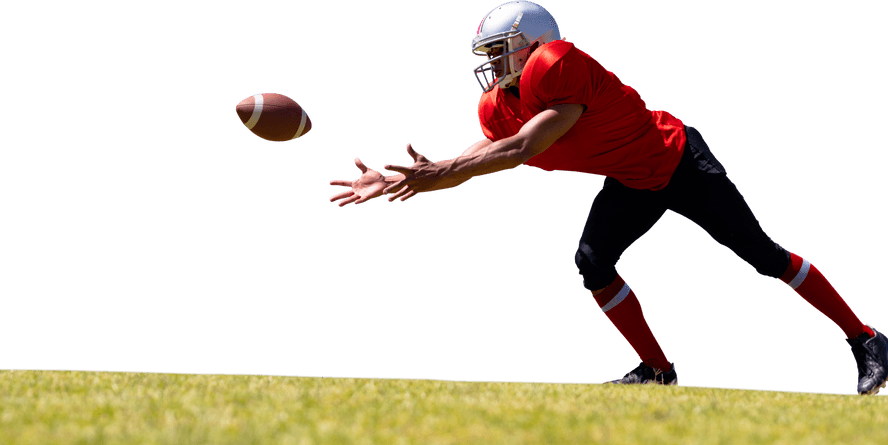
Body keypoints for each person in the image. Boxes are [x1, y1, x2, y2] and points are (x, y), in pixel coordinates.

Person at [327, 0, 888, 394]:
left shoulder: (559, 66)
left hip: (677, 159)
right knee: (592, 263)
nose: (492, 65)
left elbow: (522, 148)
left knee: (764, 257)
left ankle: (866, 339)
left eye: (501, 51)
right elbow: (480, 156)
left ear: (535, 46)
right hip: (631, 178)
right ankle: (657, 369)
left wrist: (444, 170)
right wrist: (416, 176)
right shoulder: (498, 106)